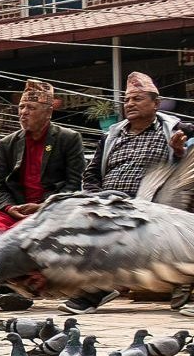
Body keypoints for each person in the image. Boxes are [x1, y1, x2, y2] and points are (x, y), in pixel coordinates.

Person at [69, 72, 190, 312]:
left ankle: (180, 280)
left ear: (156, 103)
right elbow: (91, 175)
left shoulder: (176, 128)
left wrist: (179, 151)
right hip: (112, 201)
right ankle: (99, 287)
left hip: (157, 201)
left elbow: (188, 165)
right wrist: (95, 197)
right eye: (127, 100)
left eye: (137, 99)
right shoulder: (112, 135)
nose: (130, 104)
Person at [0, 80, 86, 308]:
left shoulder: (68, 138)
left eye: (31, 108)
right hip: (18, 210)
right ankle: (18, 285)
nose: (24, 113)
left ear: (48, 112)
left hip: (52, 210)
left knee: (21, 233)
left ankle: (3, 288)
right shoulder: (9, 143)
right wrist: (10, 208)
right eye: (21, 108)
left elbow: (74, 185)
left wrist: (43, 206)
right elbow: (0, 188)